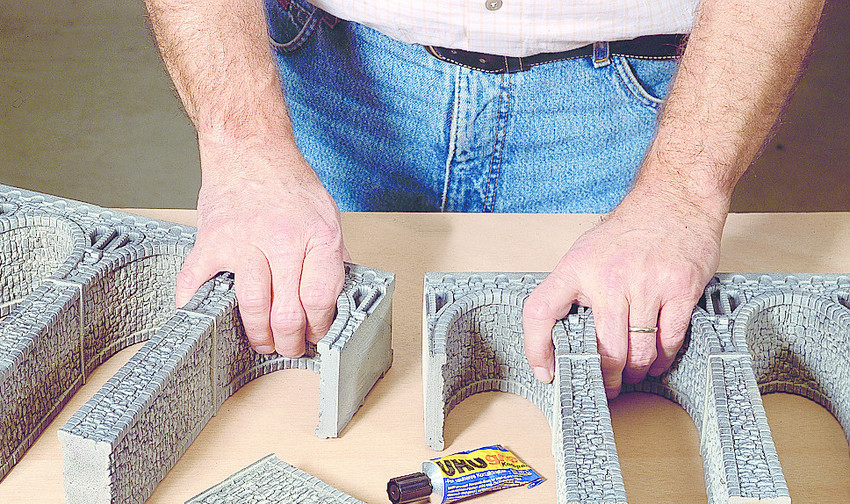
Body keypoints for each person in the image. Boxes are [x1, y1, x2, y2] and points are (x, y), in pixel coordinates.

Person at [145, 0, 825, 397]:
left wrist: (682, 195)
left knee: (622, 407)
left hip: (635, 95)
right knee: (291, 383)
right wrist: (244, 147)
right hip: (331, 72)